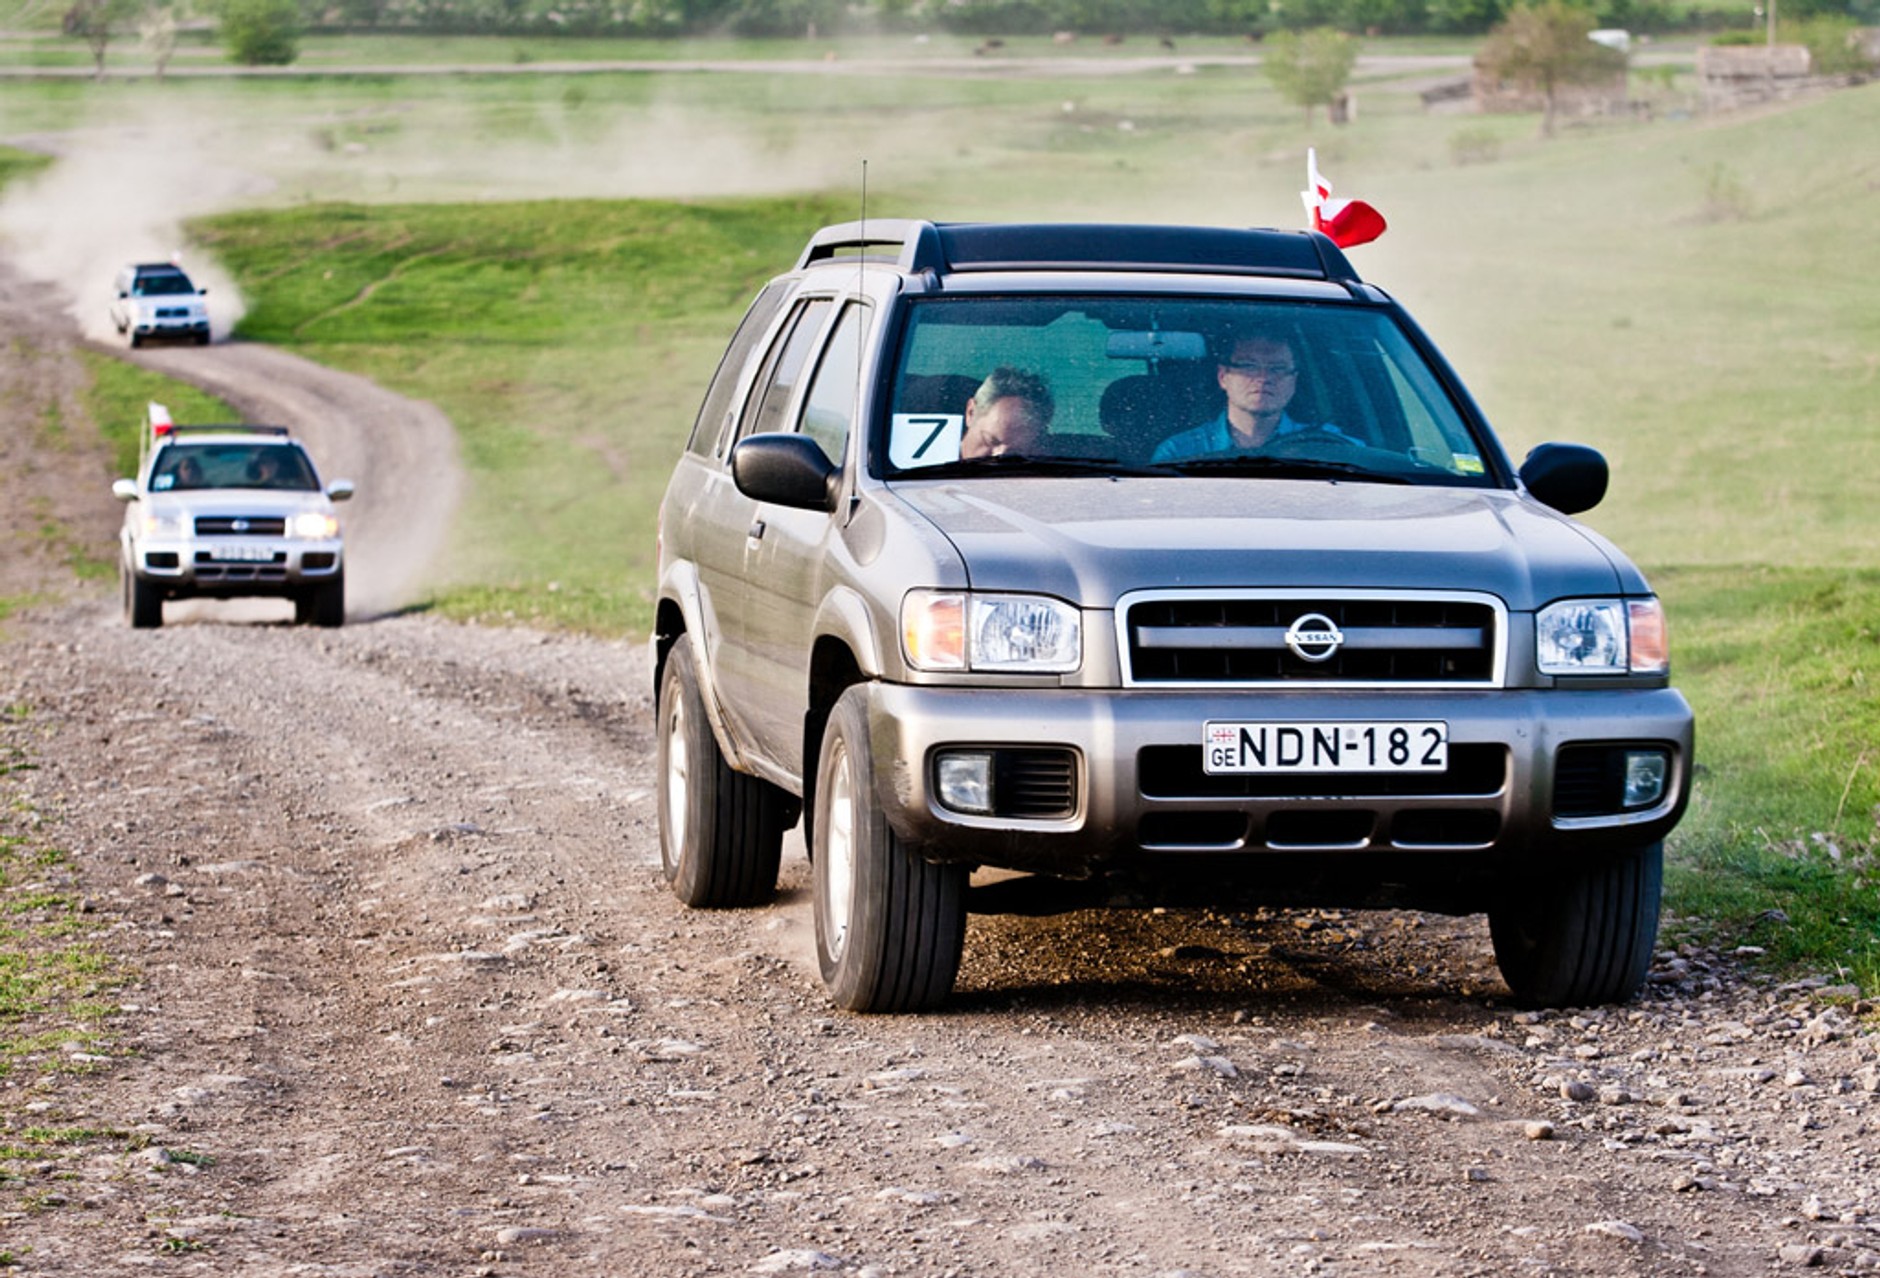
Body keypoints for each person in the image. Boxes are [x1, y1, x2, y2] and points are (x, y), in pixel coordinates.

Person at [1151, 330, 1344, 463]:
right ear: (1223, 377)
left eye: (1277, 368)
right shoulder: (1180, 452)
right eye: (1248, 366)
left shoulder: (1330, 446)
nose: (1263, 378)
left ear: (1293, 380)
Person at [959, 366, 1053, 460]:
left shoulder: (1045, 472)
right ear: (970, 413)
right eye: (991, 441)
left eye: (1015, 453)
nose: (998, 456)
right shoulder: (944, 465)